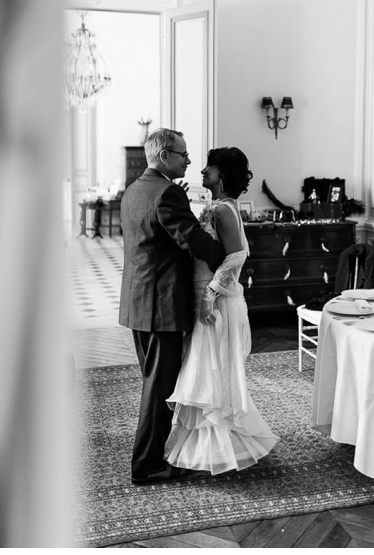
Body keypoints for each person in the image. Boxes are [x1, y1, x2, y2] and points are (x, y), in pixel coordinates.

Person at [119, 128, 226, 485]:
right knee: (158, 388)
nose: (189, 160)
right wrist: (227, 254)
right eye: (183, 154)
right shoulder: (166, 194)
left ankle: (154, 453)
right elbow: (194, 242)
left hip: (138, 301)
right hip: (160, 305)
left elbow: (155, 233)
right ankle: (146, 466)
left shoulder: (135, 189)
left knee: (156, 383)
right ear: (164, 156)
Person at [165, 147, 278, 473]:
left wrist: (209, 295)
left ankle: (223, 449)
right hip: (207, 297)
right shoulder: (215, 207)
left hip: (219, 303)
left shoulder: (225, 210)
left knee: (213, 374)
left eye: (209, 168)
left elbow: (236, 257)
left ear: (223, 175)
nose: (202, 171)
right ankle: (208, 448)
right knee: (206, 374)